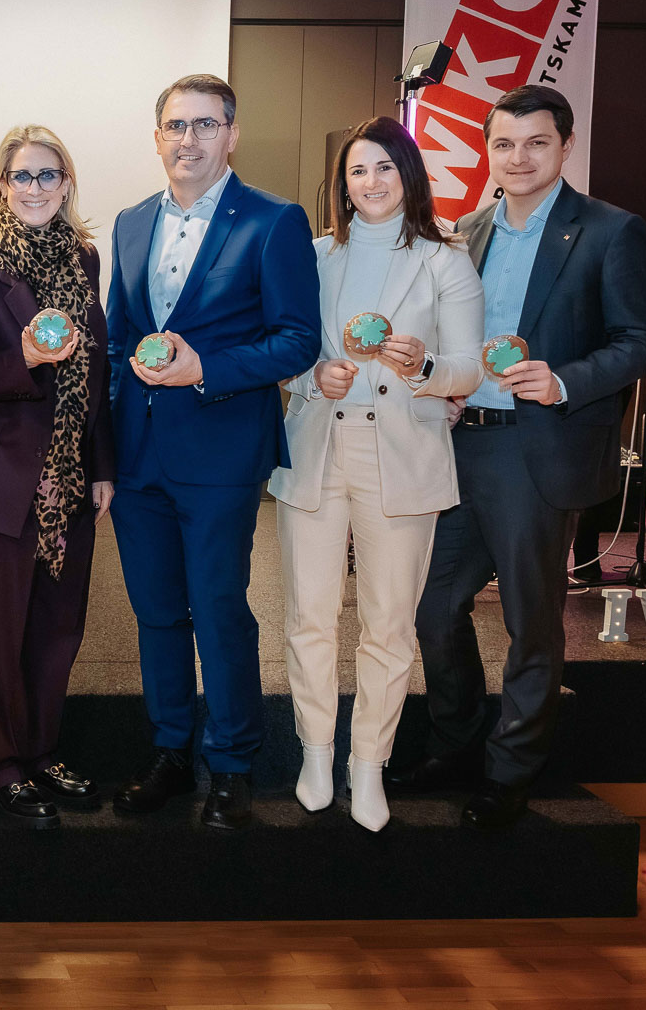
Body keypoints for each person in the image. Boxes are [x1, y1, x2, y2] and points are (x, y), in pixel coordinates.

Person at [392, 85, 646, 828]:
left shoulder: (611, 231)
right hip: (461, 441)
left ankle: (512, 770)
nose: (519, 157)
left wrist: (566, 380)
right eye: (504, 144)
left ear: (565, 145)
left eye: (536, 143)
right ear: (489, 150)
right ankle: (455, 747)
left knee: (529, 619)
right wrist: (442, 381)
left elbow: (644, 340)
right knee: (433, 607)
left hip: (537, 452)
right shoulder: (466, 231)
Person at [104, 74, 319, 830]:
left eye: (203, 125)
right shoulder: (130, 223)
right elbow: (116, 342)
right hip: (138, 455)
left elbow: (298, 339)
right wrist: (105, 451)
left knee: (220, 609)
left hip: (223, 452)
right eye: (174, 125)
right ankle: (170, 751)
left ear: (231, 134)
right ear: (156, 135)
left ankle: (232, 763)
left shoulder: (273, 221)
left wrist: (208, 370)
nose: (187, 139)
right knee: (158, 613)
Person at [265, 117, 485, 832]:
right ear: (342, 183)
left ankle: (369, 764)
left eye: (386, 168)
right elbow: (283, 346)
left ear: (409, 175)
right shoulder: (312, 253)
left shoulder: (444, 260)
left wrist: (421, 366)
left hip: (403, 456)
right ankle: (316, 751)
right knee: (309, 615)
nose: (371, 182)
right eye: (358, 171)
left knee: (389, 623)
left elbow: (467, 367)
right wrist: (308, 376)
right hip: (317, 450)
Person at [0, 125, 115, 829]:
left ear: (67, 183)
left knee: (58, 626)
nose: (34, 188)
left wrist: (100, 466)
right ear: (0, 185)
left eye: (48, 174)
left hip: (69, 475)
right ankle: (0, 763)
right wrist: (27, 358)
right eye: (21, 176)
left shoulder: (84, 257)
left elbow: (97, 371)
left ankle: (40, 751)